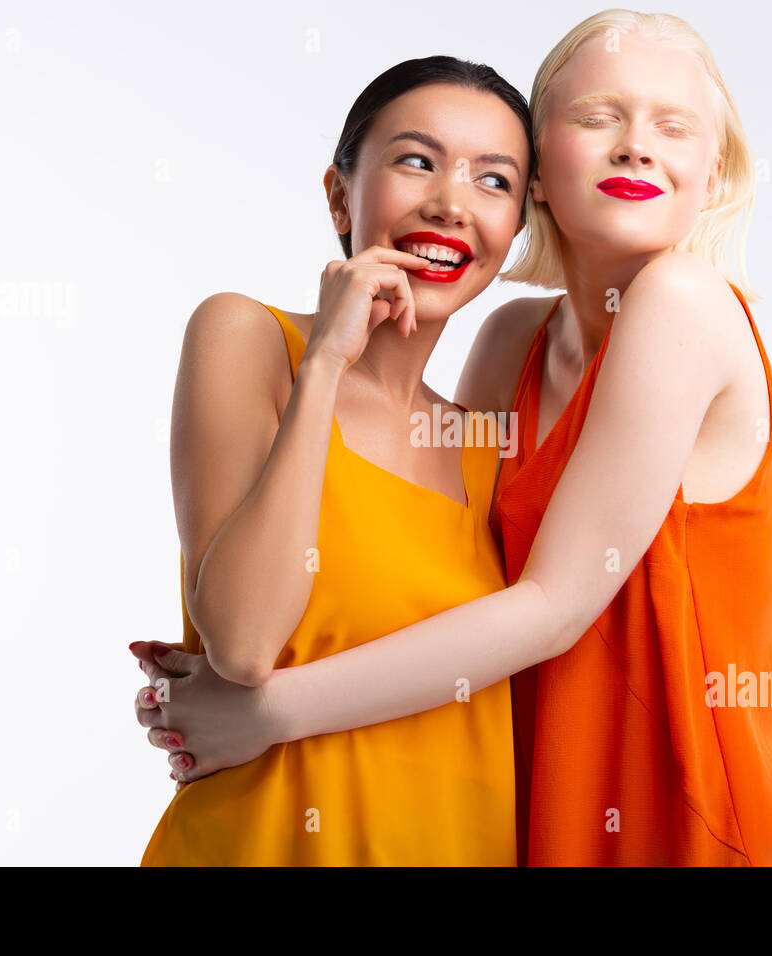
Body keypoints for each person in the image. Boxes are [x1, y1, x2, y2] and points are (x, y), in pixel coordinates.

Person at [137, 10, 772, 866]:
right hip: (539, 818)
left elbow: (554, 604)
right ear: (544, 178)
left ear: (712, 174)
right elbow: (489, 578)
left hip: (683, 821)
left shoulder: (682, 299)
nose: (638, 147)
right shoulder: (508, 347)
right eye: (598, 116)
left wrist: (266, 713)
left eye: (673, 126)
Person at [139, 56, 537, 865]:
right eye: (416, 161)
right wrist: (325, 363)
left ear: (517, 230)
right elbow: (245, 644)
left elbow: (582, 604)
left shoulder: (489, 444)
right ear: (338, 195)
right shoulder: (248, 340)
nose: (451, 204)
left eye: (494, 181)